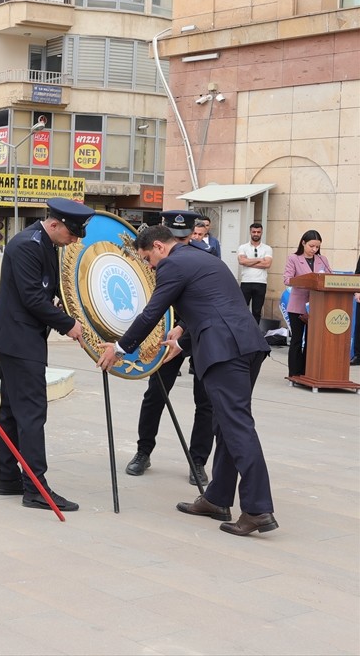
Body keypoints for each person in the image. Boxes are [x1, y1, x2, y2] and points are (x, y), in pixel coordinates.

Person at [97, 225, 276, 537]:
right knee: (226, 425)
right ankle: (217, 498)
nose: (150, 266)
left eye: (148, 258)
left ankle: (258, 509)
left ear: (159, 247)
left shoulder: (172, 265)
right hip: (247, 345)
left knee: (237, 427)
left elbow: (152, 313)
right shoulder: (205, 258)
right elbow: (214, 306)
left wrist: (120, 348)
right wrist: (182, 339)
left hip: (225, 351)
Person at [0, 198, 94, 513]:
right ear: (55, 224)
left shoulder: (46, 243)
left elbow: (46, 289)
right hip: (19, 340)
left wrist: (64, 306)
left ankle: (8, 477)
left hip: (20, 338)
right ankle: (35, 488)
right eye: (71, 234)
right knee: (32, 414)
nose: (73, 241)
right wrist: (68, 325)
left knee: (12, 411)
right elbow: (33, 298)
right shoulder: (27, 246)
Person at [124, 210, 214, 486]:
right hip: (162, 333)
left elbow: (206, 300)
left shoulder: (203, 257)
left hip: (196, 333)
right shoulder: (153, 257)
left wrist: (183, 327)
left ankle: (198, 461)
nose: (182, 242)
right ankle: (143, 451)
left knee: (205, 400)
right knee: (155, 394)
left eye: (186, 238)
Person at [282, 230, 332, 380]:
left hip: (316, 306)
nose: (314, 249)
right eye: (311, 246)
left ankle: (307, 371)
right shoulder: (293, 258)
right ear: (303, 243)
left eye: (317, 247)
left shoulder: (322, 259)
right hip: (298, 305)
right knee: (297, 340)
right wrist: (306, 281)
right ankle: (294, 372)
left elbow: (330, 277)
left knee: (312, 340)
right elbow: (287, 279)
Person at [237, 223, 273, 326]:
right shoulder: (243, 247)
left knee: (257, 311)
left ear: (261, 232)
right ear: (250, 232)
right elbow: (242, 261)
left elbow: (267, 264)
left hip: (261, 282)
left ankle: (255, 331)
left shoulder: (267, 248)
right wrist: (259, 259)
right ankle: (242, 330)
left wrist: (249, 261)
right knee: (242, 309)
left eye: (258, 232)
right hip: (246, 282)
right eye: (254, 232)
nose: (256, 234)